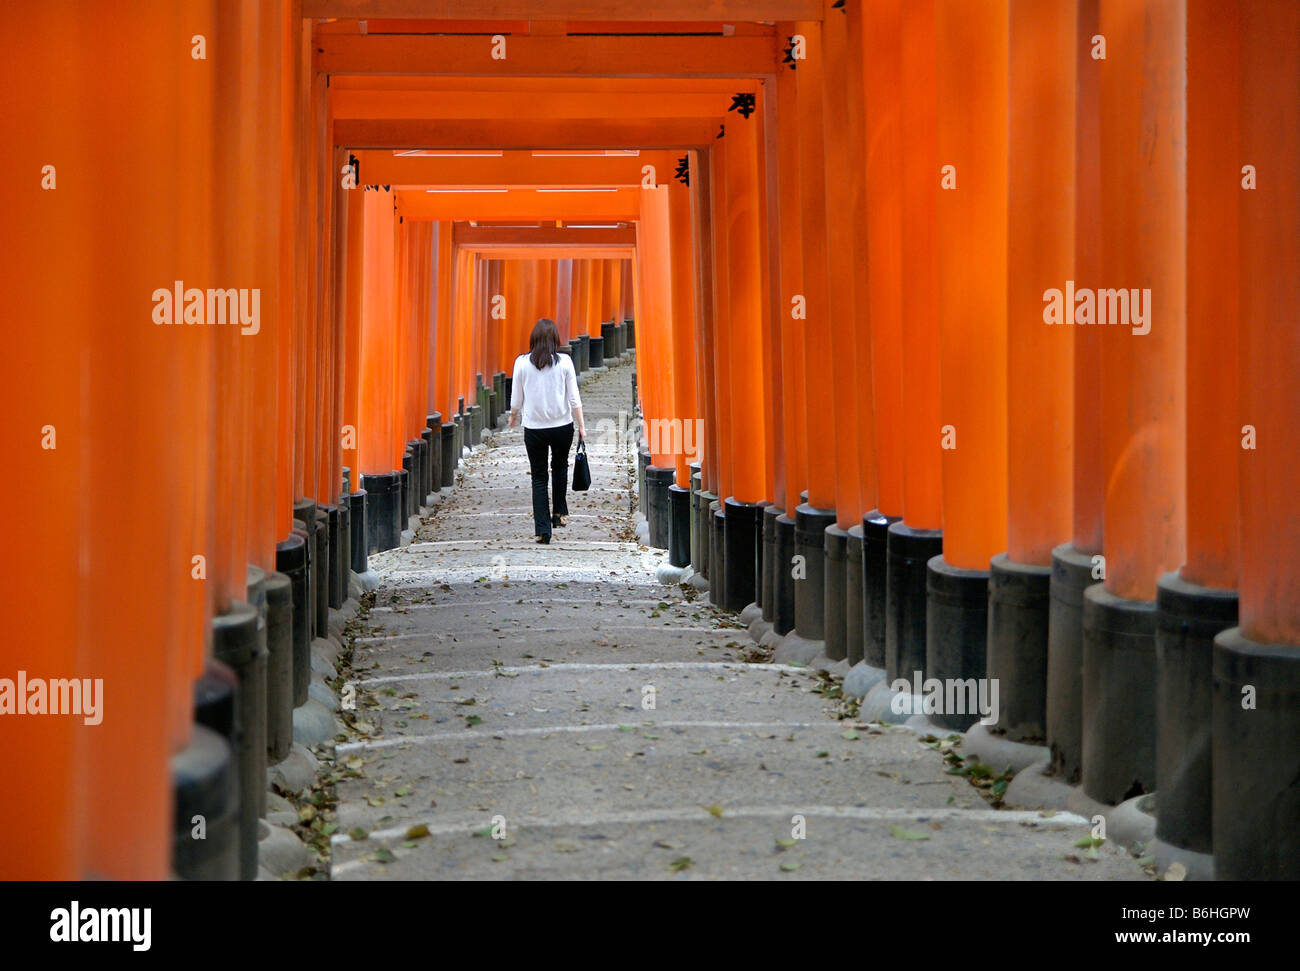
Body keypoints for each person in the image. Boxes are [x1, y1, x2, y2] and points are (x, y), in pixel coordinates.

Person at [508, 318, 586, 544]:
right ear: (555, 340)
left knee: (539, 477)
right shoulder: (565, 362)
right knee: (560, 467)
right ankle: (559, 512)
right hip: (562, 426)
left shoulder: (521, 363)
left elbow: (516, 400)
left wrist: (513, 417)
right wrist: (581, 425)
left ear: (533, 340)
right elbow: (574, 398)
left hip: (534, 429)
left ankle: (543, 529)